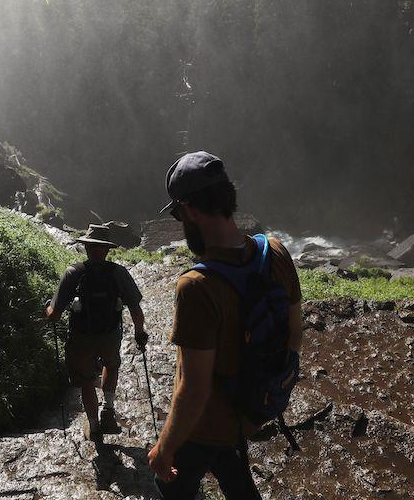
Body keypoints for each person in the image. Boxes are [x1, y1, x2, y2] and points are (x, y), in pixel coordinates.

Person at [147, 152, 304, 500]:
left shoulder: (196, 287)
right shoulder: (276, 251)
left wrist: (164, 447)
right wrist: (272, 389)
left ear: (188, 211)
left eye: (177, 214)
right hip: (250, 411)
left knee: (169, 484)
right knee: (235, 476)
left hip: (205, 427)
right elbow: (295, 333)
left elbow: (194, 390)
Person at [46, 224, 148, 441]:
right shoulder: (119, 273)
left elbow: (54, 315)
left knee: (86, 379)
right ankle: (108, 411)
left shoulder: (73, 272)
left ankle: (93, 427)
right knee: (111, 366)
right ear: (107, 249)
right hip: (110, 334)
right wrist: (140, 333)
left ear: (86, 247)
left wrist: (47, 306)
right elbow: (136, 309)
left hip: (81, 337)